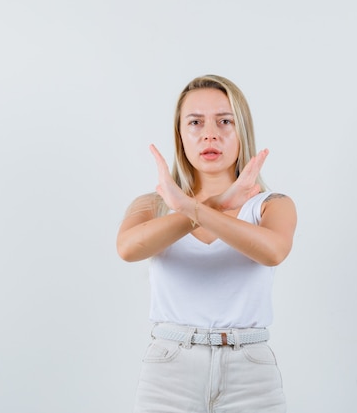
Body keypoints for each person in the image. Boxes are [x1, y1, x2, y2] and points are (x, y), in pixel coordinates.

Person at [116, 74, 297, 413]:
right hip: (169, 370)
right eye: (195, 122)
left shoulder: (273, 204)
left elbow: (273, 251)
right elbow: (128, 249)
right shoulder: (152, 204)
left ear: (242, 130)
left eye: (225, 121)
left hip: (251, 372)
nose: (210, 133)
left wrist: (193, 207)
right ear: (180, 135)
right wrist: (212, 204)